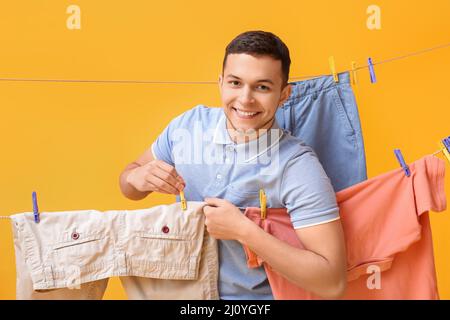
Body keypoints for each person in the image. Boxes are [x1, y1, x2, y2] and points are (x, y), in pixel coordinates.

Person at [119, 30, 347, 300]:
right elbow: (128, 186)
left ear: (284, 94)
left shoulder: (297, 167)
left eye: (262, 87)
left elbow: (332, 281)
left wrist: (244, 231)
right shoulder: (187, 126)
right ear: (220, 83)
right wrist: (137, 177)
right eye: (235, 83)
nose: (245, 99)